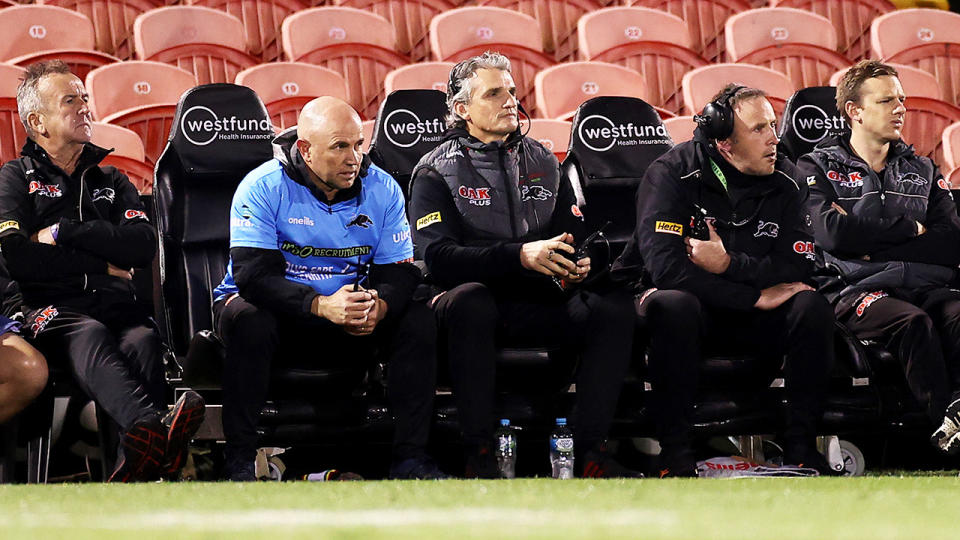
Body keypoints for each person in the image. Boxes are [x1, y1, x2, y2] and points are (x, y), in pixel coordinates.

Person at [408, 52, 638, 478]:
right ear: (462, 109)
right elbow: (436, 259)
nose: (510, 100)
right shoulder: (434, 172)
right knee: (471, 301)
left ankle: (590, 453)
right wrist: (519, 256)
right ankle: (478, 456)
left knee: (614, 306)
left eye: (512, 91)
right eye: (494, 93)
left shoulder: (545, 162)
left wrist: (578, 263)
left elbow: (573, 235)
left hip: (538, 301)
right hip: (472, 308)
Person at [212, 96, 444, 481]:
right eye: (339, 147)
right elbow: (254, 277)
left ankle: (411, 460)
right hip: (275, 310)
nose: (353, 157)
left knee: (418, 320)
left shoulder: (382, 188)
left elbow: (401, 271)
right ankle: (238, 460)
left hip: (345, 313)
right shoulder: (262, 186)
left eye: (358, 144)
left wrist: (378, 307)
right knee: (250, 321)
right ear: (305, 149)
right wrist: (319, 305)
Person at [613, 84, 837, 477]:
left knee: (809, 304)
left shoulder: (789, 178)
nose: (774, 138)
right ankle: (675, 453)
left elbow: (797, 266)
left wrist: (729, 264)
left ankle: (801, 450)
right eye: (758, 129)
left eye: (773, 124)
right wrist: (751, 297)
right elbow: (668, 271)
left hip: (747, 308)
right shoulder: (671, 174)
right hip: (690, 310)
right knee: (673, 302)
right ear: (725, 144)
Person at [0, 60, 204, 482]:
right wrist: (98, 263)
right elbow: (17, 258)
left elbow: (143, 245)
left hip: (115, 306)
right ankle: (155, 431)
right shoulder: (14, 178)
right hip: (46, 310)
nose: (85, 108)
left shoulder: (111, 176)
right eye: (70, 101)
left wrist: (65, 231)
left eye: (85, 98)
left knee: (144, 340)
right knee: (88, 331)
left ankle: (131, 471)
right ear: (37, 121)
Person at [798, 60, 960, 455]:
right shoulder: (816, 166)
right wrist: (909, 230)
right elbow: (830, 234)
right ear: (855, 111)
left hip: (924, 284)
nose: (900, 108)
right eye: (887, 100)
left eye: (902, 99)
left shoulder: (922, 168)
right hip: (855, 288)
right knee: (913, 323)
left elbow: (951, 242)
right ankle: (947, 431)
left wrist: (868, 239)